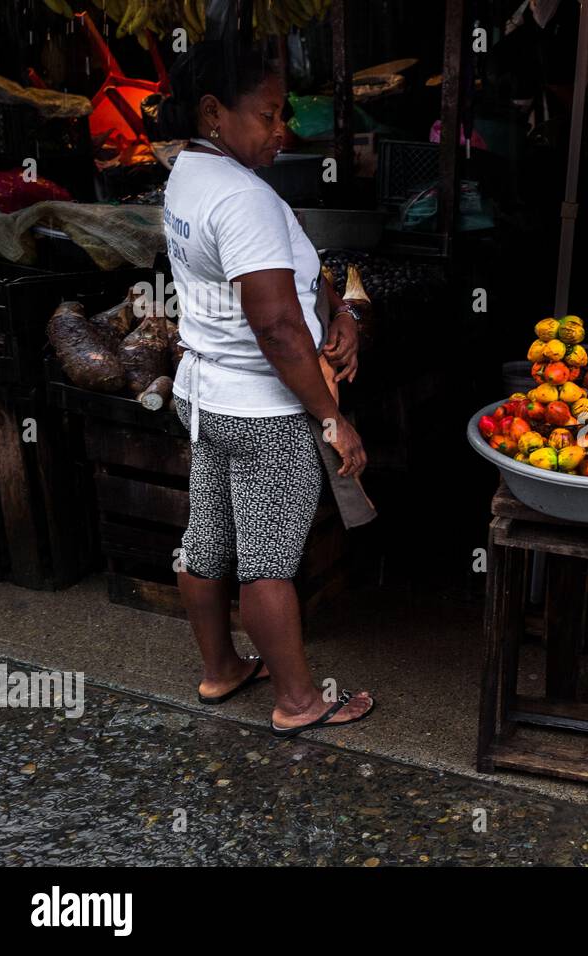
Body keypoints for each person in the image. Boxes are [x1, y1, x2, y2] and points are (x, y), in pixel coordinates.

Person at [156, 42, 375, 736]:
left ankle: (221, 669)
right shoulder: (242, 195)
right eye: (268, 114)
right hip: (265, 407)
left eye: (283, 115)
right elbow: (278, 326)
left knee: (207, 541)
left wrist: (337, 311)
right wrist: (332, 417)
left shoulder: (188, 171)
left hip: (206, 393)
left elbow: (290, 294)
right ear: (214, 113)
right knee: (269, 563)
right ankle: (300, 702)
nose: (282, 131)